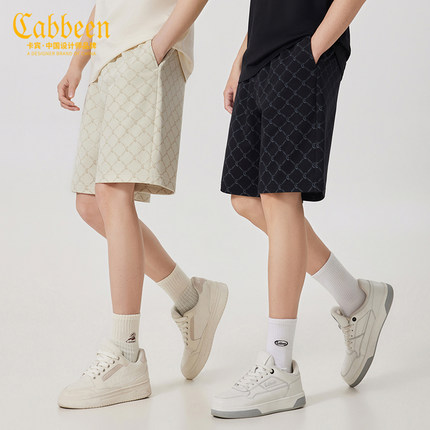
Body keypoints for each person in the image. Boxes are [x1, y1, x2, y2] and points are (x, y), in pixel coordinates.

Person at [212, 0, 393, 419]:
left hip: (303, 53)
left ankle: (279, 366)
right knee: (246, 199)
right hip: (258, 57)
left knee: (279, 198)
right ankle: (356, 299)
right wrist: (241, 56)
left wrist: (312, 50)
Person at [56, 0, 228, 409]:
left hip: (145, 53)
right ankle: (191, 300)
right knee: (90, 202)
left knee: (112, 192)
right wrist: (79, 60)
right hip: (107, 62)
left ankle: (126, 351)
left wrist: (159, 46)